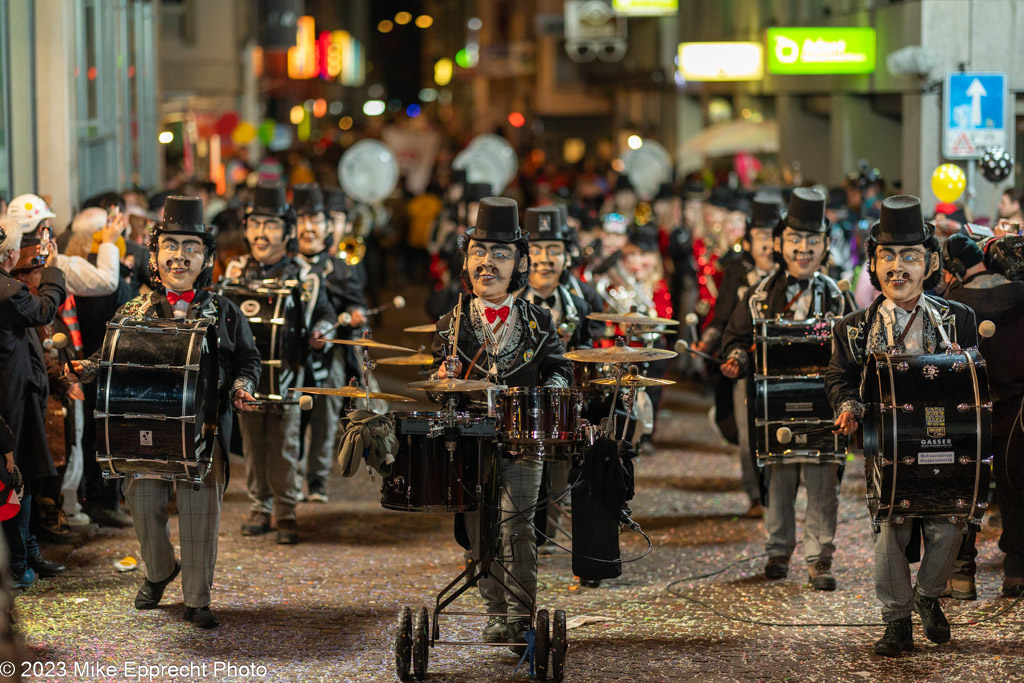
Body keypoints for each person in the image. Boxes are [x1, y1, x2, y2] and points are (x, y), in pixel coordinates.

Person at [72, 196, 260, 628]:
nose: (180, 256)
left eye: (191, 247)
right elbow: (110, 355)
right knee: (143, 507)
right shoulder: (131, 310)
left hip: (204, 431)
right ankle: (159, 571)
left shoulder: (223, 313)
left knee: (199, 517)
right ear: (154, 257)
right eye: (170, 246)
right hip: (144, 430)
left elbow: (247, 361)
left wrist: (243, 386)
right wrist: (89, 367)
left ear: (207, 258)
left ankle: (198, 598)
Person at [825, 194, 977, 656]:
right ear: (873, 263)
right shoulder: (852, 328)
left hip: (944, 434)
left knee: (950, 520)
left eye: (910, 257)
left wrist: (965, 362)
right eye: (887, 256)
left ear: (930, 263)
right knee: (891, 525)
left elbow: (976, 376)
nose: (898, 268)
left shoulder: (959, 319)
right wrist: (849, 404)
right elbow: (838, 375)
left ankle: (928, 597)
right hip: (887, 441)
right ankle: (896, 622)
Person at [429, 197, 572, 649]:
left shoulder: (537, 318)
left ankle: (521, 616)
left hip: (523, 443)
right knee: (478, 531)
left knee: (517, 528)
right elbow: (436, 383)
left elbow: (560, 368)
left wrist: (552, 386)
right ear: (467, 260)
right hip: (469, 442)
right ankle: (494, 614)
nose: (487, 263)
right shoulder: (451, 321)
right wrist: (441, 378)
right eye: (478, 252)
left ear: (520, 265)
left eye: (501, 254)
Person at [720, 187, 850, 590]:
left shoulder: (835, 296)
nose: (803, 249)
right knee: (778, 478)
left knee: (822, 482)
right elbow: (735, 337)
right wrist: (737, 358)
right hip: (776, 405)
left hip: (823, 405)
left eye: (812, 241)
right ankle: (778, 550)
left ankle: (819, 558)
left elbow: (851, 350)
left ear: (826, 245)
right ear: (779, 243)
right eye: (795, 240)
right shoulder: (759, 296)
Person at [223, 181, 335, 544]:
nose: (261, 233)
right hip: (248, 377)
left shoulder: (302, 276)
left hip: (288, 376)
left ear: (287, 232)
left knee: (285, 447)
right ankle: (260, 507)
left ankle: (286, 512)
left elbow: (324, 313)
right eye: (255, 224)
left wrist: (321, 330)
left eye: (270, 225)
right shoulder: (237, 272)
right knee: (253, 446)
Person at [939, 234, 1024, 600]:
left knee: (966, 492)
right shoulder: (1021, 298)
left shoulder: (952, 304)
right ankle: (1017, 573)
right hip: (1017, 411)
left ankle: (961, 574)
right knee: (1016, 492)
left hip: (968, 412)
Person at [694, 195, 782, 518]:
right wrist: (709, 341)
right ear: (748, 240)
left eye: (774, 236)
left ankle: (779, 493)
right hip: (745, 362)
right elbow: (722, 317)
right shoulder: (736, 272)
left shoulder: (790, 275)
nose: (768, 244)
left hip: (781, 367)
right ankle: (755, 494)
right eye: (761, 237)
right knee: (748, 435)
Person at [518, 206, 593, 556]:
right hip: (518, 408)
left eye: (554, 251)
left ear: (566, 256)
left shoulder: (577, 303)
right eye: (536, 250)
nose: (545, 260)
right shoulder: (510, 302)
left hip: (563, 407)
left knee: (559, 471)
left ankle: (546, 536)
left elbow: (589, 348)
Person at [0, 216, 66, 589]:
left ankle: (25, 553)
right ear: (11, 254)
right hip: (10, 401)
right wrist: (54, 271)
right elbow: (44, 310)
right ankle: (19, 565)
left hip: (12, 395)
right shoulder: (9, 290)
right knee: (16, 477)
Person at [292, 183, 367, 503]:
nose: (309, 228)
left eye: (317, 221)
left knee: (324, 418)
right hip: (294, 353)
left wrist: (354, 315)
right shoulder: (285, 266)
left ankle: (318, 480)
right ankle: (290, 478)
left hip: (332, 351)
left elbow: (357, 303)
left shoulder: (339, 266)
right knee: (292, 417)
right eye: (302, 220)